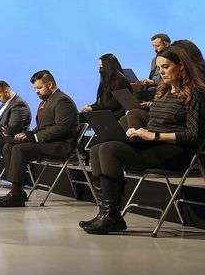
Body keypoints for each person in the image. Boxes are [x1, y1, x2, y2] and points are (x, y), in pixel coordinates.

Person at [81, 46, 205, 235]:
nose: (161, 72)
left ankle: (111, 216)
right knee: (97, 148)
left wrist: (153, 135)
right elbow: (156, 121)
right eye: (159, 67)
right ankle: (107, 212)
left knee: (108, 150)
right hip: (152, 144)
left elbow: (194, 136)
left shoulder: (196, 93)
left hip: (175, 151)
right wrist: (140, 132)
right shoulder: (164, 91)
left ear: (181, 67)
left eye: (166, 66)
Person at [0, 70, 79, 208]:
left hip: (61, 145)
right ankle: (17, 190)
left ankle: (16, 195)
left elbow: (62, 128)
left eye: (39, 88)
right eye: (35, 88)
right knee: (8, 146)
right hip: (48, 142)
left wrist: (35, 137)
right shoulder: (46, 101)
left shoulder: (63, 101)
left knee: (20, 149)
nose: (37, 91)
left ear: (50, 85)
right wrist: (27, 135)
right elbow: (41, 127)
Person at [80, 54, 131, 120]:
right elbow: (101, 102)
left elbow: (114, 104)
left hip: (114, 113)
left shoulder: (120, 80)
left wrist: (93, 108)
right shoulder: (106, 79)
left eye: (102, 66)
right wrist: (90, 106)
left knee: (80, 118)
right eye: (100, 67)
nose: (100, 69)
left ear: (108, 66)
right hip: (105, 111)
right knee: (79, 116)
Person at [132, 33, 170, 100]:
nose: (154, 49)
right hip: (152, 88)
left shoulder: (171, 59)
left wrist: (153, 82)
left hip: (164, 89)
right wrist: (146, 82)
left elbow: (171, 79)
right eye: (153, 46)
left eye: (157, 46)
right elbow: (152, 78)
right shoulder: (154, 60)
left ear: (167, 45)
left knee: (137, 96)